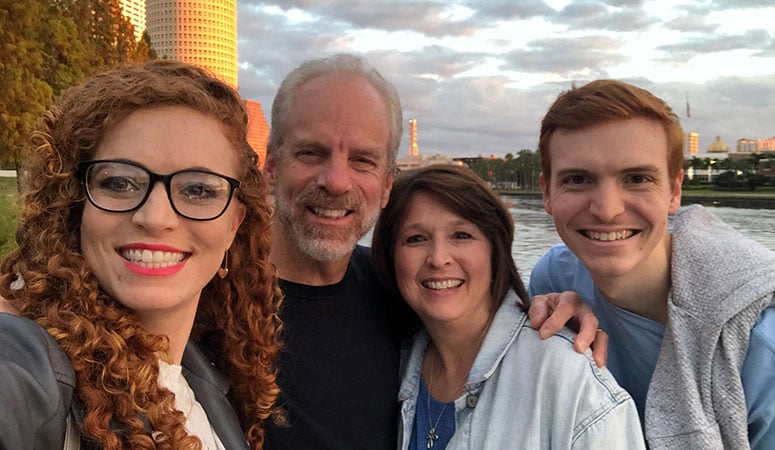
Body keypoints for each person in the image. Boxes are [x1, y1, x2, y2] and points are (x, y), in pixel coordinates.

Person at [0, 60, 283, 449]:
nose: (155, 217)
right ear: (75, 205)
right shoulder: (28, 366)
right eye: (119, 182)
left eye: (198, 190)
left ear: (235, 224)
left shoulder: (211, 385)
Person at [528, 79, 775, 449]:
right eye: (578, 180)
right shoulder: (553, 279)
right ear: (547, 192)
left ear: (674, 191)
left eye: (637, 178)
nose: (608, 210)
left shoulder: (758, 347)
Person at [371, 164, 645, 449]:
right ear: (391, 257)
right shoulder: (387, 363)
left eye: (461, 235)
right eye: (416, 239)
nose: (439, 259)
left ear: (495, 249)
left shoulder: (567, 379)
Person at [260, 53, 404, 449]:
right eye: (311, 152)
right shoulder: (201, 297)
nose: (337, 181)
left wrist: (549, 309)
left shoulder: (404, 294)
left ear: (388, 184)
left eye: (362, 160)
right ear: (272, 166)